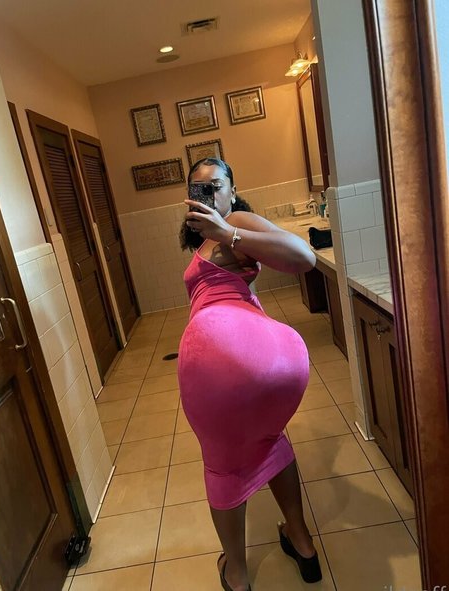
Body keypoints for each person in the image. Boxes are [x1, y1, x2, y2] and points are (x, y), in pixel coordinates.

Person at [177, 158, 321, 591]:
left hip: (225, 365)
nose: (208, 194)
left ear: (233, 191)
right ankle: (302, 544)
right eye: (198, 188)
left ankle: (237, 573)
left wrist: (228, 232)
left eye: (216, 185)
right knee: (270, 440)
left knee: (221, 465)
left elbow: (305, 257)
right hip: (268, 357)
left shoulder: (235, 222)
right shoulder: (210, 239)